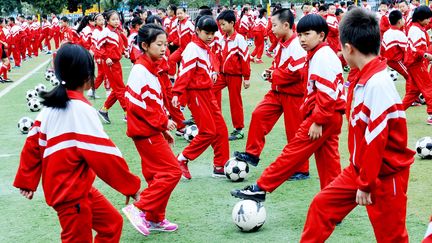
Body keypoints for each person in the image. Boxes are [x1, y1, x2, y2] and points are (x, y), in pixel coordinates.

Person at [300, 8, 415, 242]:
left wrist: (365, 184)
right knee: (321, 205)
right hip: (361, 169)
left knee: (391, 237)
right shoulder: (361, 77)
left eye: (341, 49)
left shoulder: (378, 83)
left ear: (349, 48)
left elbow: (376, 139)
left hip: (385, 175)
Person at [13, 43, 141, 242]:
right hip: (70, 194)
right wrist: (131, 186)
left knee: (111, 224)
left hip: (78, 187)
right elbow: (104, 156)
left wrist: (27, 181)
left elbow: (32, 144)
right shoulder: (81, 110)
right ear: (87, 76)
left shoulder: (49, 108)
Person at [232, 13, 345, 202]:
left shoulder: (322, 56)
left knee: (292, 152)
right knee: (329, 163)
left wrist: (318, 120)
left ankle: (260, 188)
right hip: (329, 116)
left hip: (323, 115)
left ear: (322, 35)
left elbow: (327, 93)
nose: (302, 39)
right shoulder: (319, 54)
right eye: (300, 34)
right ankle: (334, 205)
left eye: (307, 34)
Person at [234, 8, 310, 180]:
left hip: (293, 95)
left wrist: (274, 74)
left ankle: (302, 169)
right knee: (258, 115)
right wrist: (272, 71)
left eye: (274, 25)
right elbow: (282, 66)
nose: (271, 29)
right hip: (277, 91)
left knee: (295, 132)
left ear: (286, 25)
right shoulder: (282, 43)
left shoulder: (296, 45)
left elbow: (298, 73)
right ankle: (252, 154)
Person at [123, 24, 182, 236]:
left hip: (150, 130)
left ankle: (155, 218)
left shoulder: (152, 67)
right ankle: (138, 208)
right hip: (144, 132)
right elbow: (136, 105)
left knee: (156, 176)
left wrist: (162, 127)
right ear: (145, 45)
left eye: (166, 44)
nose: (164, 48)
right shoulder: (140, 70)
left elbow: (153, 102)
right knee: (173, 171)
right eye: (159, 44)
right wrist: (163, 122)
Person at [171, 16, 230, 179]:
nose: (210, 36)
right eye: (206, 33)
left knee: (221, 130)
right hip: (196, 94)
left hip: (208, 93)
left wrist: (213, 72)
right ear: (197, 31)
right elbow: (185, 72)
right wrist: (177, 93)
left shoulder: (205, 47)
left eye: (212, 33)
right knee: (208, 132)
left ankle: (219, 166)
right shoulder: (192, 48)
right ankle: (181, 159)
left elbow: (210, 63)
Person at [213, 10, 251, 141]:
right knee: (209, 90)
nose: (221, 27)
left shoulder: (239, 39)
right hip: (222, 75)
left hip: (235, 76)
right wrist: (215, 71)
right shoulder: (222, 39)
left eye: (223, 24)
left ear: (232, 23)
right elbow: (218, 57)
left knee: (235, 102)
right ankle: (212, 122)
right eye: (220, 25)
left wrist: (246, 78)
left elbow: (245, 59)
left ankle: (239, 130)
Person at [97, 10, 129, 123]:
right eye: (113, 19)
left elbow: (117, 46)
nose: (116, 21)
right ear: (108, 20)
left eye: (117, 19)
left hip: (116, 62)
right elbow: (98, 46)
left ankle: (104, 110)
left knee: (117, 88)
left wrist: (124, 52)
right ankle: (127, 113)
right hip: (110, 64)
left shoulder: (116, 31)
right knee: (120, 88)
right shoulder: (105, 32)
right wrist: (106, 57)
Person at [403, 6, 432, 124]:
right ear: (421, 18)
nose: (429, 20)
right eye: (428, 18)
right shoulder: (416, 30)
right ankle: (431, 114)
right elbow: (416, 50)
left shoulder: (417, 28)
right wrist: (427, 56)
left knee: (413, 92)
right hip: (416, 63)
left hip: (413, 63)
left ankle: (396, 112)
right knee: (428, 87)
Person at [381, 10, 411, 85]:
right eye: (402, 18)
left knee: (410, 77)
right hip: (396, 60)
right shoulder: (399, 34)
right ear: (399, 21)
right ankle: (410, 96)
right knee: (411, 76)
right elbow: (406, 50)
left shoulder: (387, 32)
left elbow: (382, 49)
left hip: (389, 60)